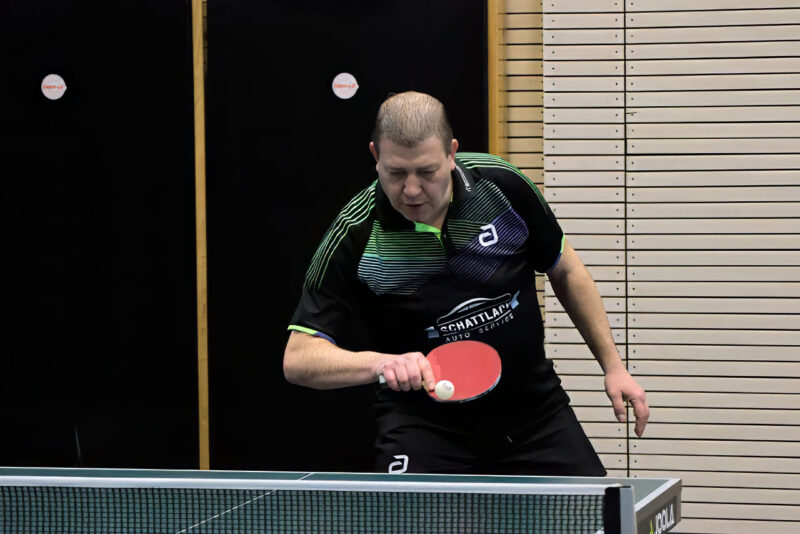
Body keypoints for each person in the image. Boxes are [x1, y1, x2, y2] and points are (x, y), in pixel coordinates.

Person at [283, 91, 648, 475]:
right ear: (375, 155)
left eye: (427, 172)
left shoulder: (501, 186)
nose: (411, 189)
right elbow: (298, 358)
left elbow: (565, 269)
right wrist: (382, 363)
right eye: (396, 173)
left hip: (535, 414)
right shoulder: (355, 232)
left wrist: (613, 366)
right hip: (425, 428)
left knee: (598, 510)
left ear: (451, 152)